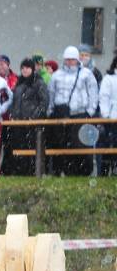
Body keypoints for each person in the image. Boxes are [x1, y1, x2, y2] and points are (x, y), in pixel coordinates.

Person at [47, 46, 99, 176]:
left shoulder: (86, 74)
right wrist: (51, 111)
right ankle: (65, 171)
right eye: (67, 59)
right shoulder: (57, 75)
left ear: (77, 59)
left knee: (80, 144)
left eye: (72, 59)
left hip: (80, 114)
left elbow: (94, 94)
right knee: (62, 144)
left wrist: (90, 112)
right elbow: (51, 94)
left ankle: (81, 172)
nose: (70, 62)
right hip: (61, 114)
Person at [2, 58, 49, 176]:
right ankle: (20, 172)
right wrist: (13, 115)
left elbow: (44, 103)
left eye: (27, 68)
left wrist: (34, 118)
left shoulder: (39, 83)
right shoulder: (19, 83)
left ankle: (32, 172)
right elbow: (14, 101)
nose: (25, 70)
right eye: (23, 68)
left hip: (32, 124)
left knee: (32, 149)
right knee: (18, 149)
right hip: (18, 124)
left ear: (32, 69)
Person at [98, 55, 117, 176]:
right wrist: (106, 115)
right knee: (109, 146)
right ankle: (105, 172)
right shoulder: (109, 79)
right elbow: (104, 97)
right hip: (112, 118)